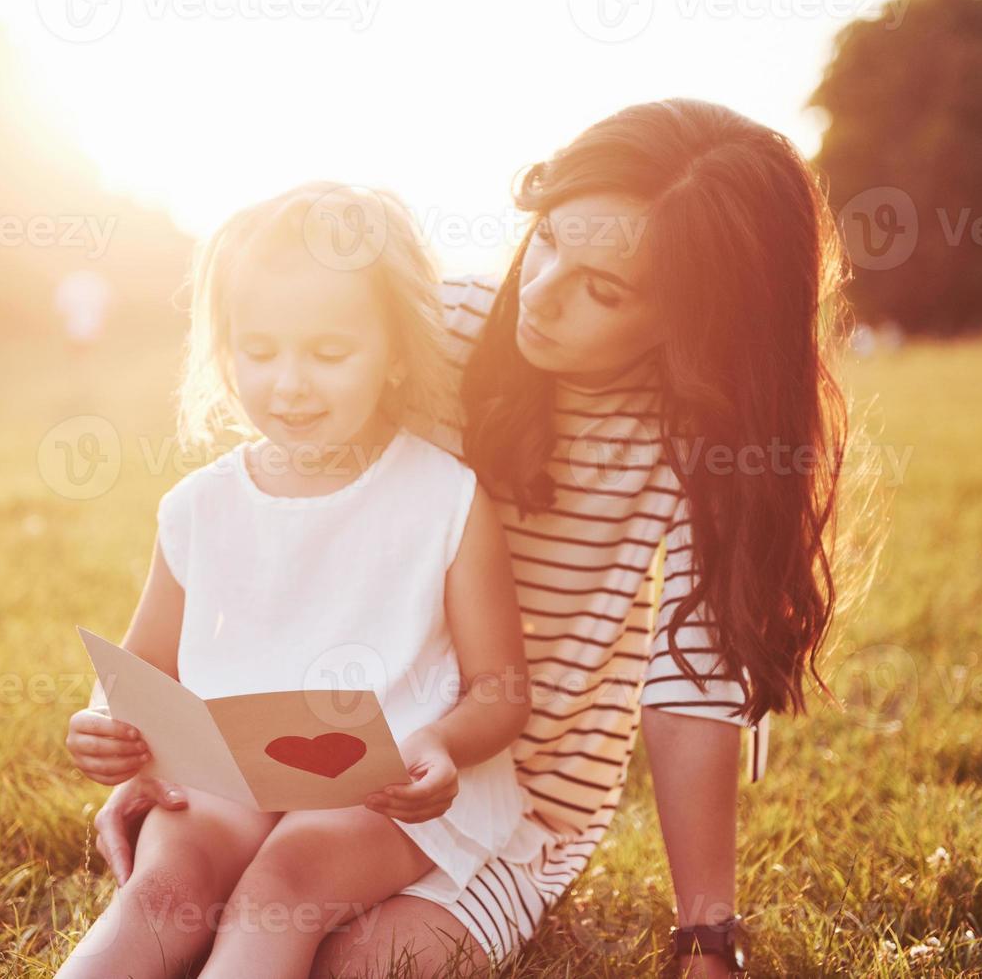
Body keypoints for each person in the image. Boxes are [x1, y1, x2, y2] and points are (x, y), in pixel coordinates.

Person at [75, 99, 874, 979]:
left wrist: (705, 932)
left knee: (360, 961)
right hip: (310, 774)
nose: (537, 294)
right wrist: (148, 748)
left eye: (602, 290)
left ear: (696, 319)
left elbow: (691, 684)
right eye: (547, 241)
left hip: (510, 799)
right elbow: (275, 521)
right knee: (202, 904)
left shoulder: (708, 439)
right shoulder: (426, 330)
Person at [59, 181, 550, 979]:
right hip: (227, 779)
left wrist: (440, 744)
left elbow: (501, 686)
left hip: (380, 785)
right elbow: (143, 664)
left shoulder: (444, 499)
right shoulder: (198, 506)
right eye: (259, 352)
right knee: (162, 895)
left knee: (278, 888)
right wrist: (103, 718)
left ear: (394, 356)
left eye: (327, 354)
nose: (288, 384)